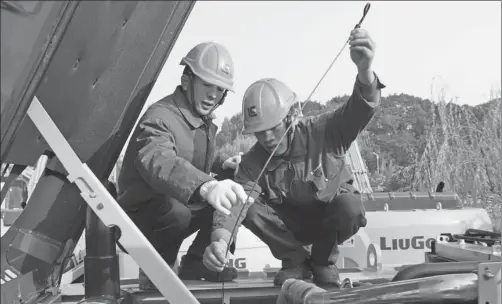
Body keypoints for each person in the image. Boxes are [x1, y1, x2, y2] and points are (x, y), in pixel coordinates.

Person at [202, 28, 385, 286]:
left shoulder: (326, 131)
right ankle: (295, 261)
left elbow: (359, 109)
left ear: (292, 116)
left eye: (273, 128)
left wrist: (365, 71)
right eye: (258, 132)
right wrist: (220, 242)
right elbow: (235, 205)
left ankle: (322, 262)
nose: (266, 138)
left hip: (329, 222)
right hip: (289, 230)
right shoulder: (254, 161)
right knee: (249, 207)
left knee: (350, 207)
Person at [117, 42, 251, 289]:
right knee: (180, 208)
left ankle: (197, 262)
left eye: (220, 89)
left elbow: (192, 156)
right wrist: (208, 186)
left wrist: (223, 164)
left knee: (233, 196)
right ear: (187, 81)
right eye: (206, 85)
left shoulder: (198, 120)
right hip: (140, 219)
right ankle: (156, 274)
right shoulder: (159, 117)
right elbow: (159, 160)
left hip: (170, 211)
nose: (213, 94)